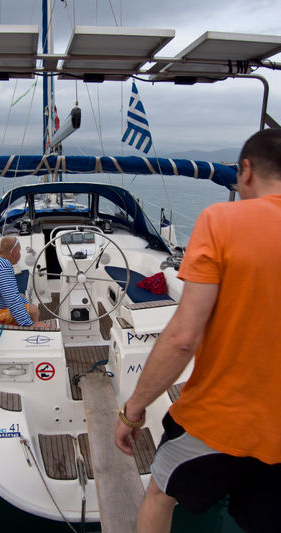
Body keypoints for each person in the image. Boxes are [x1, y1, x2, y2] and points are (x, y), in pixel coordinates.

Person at [114, 128, 281, 533]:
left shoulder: (222, 220)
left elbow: (182, 338)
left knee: (159, 496)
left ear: (245, 170)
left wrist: (133, 410)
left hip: (222, 422)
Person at [0, 236, 48, 328]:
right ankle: (32, 325)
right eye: (19, 251)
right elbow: (12, 300)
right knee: (34, 310)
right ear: (14, 253)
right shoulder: (4, 268)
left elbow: (11, 295)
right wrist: (28, 323)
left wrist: (25, 304)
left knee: (22, 297)